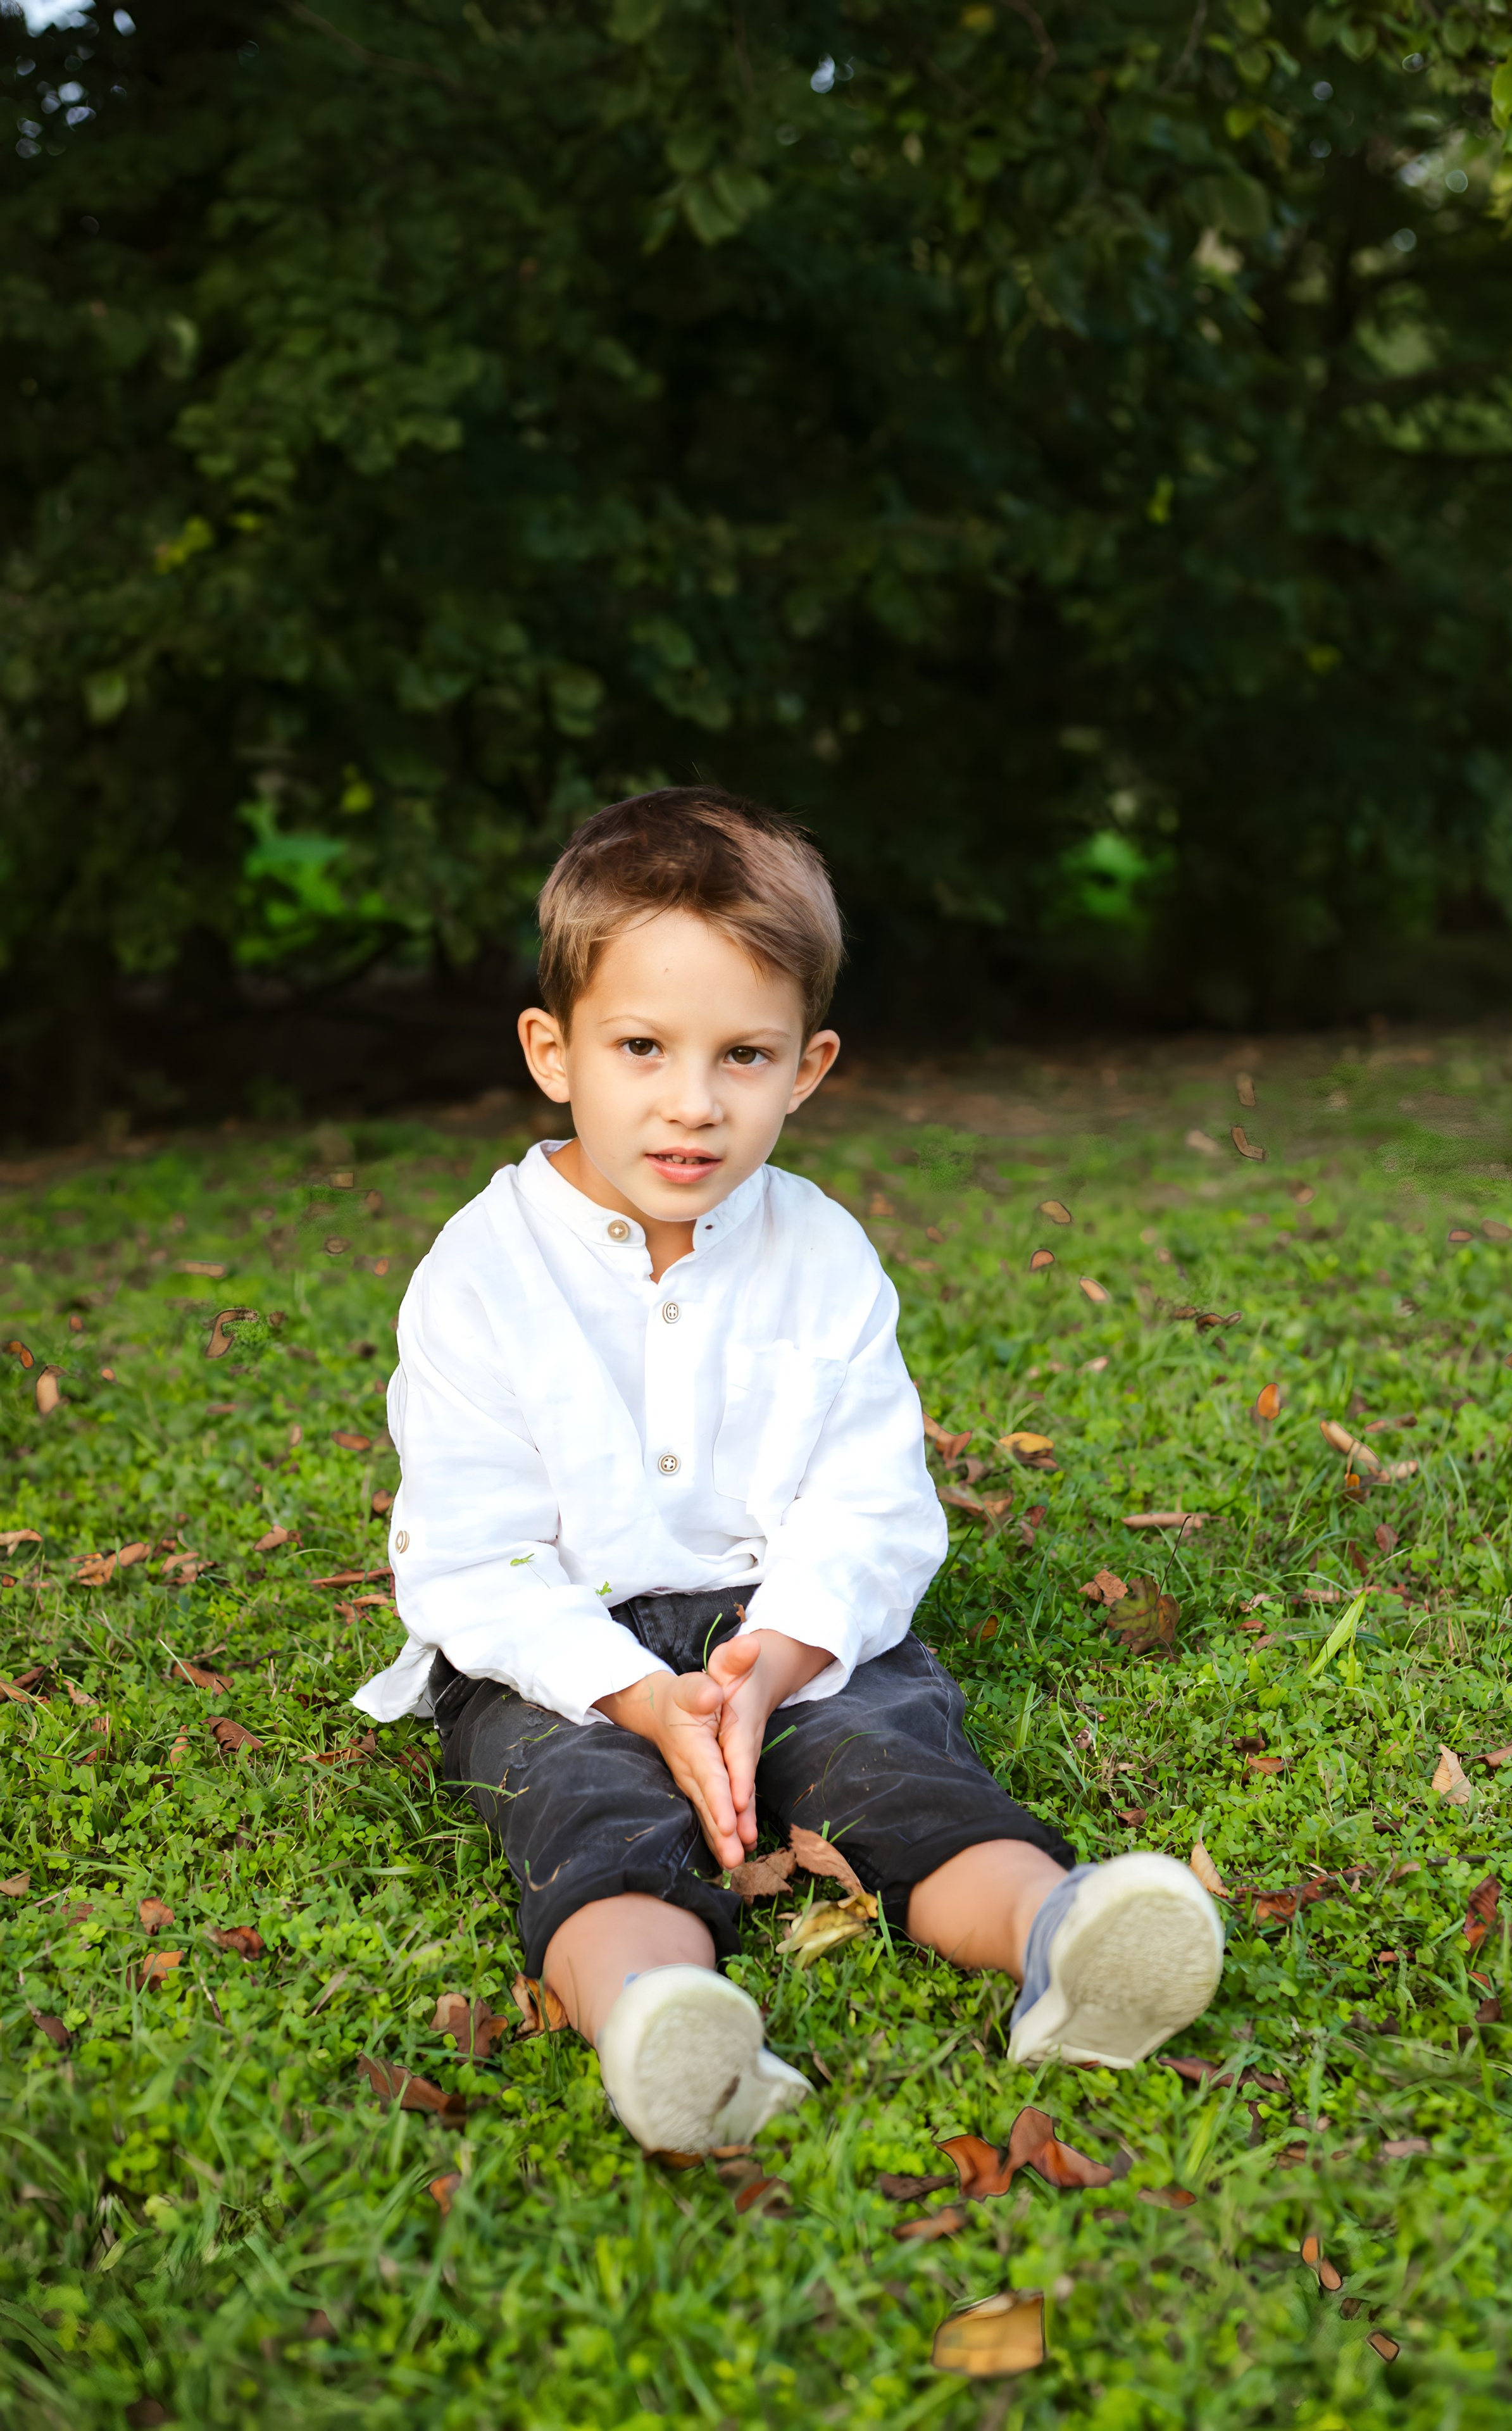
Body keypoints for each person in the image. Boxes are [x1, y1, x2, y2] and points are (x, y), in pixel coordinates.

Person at [353, 788, 1223, 2154]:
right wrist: (639, 1697)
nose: (690, 1103)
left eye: (742, 1056)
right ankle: (659, 2011)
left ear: (807, 1066)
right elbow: (473, 1554)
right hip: (556, 1650)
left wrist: (776, 1658)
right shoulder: (478, 1271)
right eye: (640, 1046)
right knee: (584, 1810)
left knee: (891, 1760)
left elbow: (867, 1500)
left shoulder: (820, 1253)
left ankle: (1054, 1931)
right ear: (552, 1050)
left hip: (777, 1613)